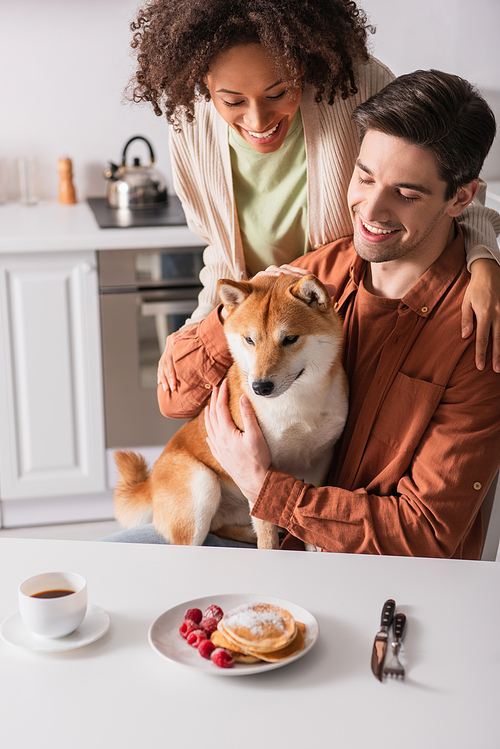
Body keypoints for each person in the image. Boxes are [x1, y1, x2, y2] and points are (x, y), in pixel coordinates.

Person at [103, 69, 500, 559]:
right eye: (364, 175)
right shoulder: (319, 271)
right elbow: (175, 396)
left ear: (461, 197)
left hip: (361, 568)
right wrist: (241, 309)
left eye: (406, 193)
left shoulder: (477, 332)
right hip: (254, 531)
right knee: (97, 567)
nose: (370, 210)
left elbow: (426, 535)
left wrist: (263, 485)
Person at [127, 0, 500, 391]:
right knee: (179, 394)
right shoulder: (190, 120)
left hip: (334, 321)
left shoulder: (355, 83)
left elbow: (445, 175)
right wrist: (202, 329)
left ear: (303, 62)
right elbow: (220, 251)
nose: (258, 120)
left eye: (279, 91)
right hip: (253, 332)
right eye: (233, 101)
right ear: (202, 81)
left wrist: (484, 260)